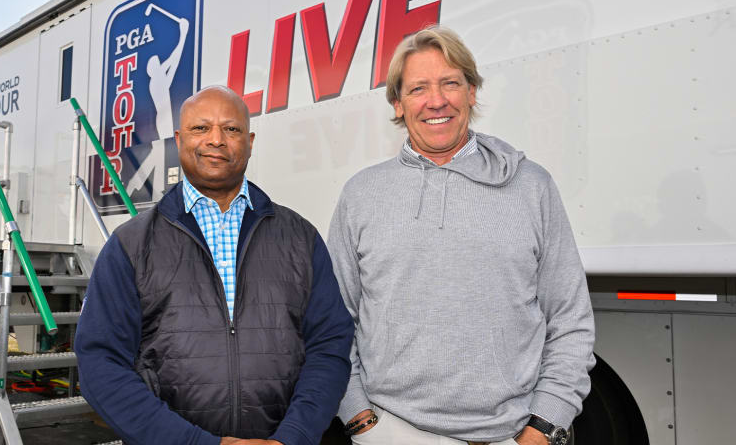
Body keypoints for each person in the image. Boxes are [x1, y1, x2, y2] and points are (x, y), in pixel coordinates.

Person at [328, 26, 595, 445]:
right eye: (418, 88)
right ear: (398, 103)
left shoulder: (531, 186)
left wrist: (544, 427)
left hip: (509, 435)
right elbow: (335, 319)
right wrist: (360, 419)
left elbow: (570, 321)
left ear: (471, 91)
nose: (436, 101)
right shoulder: (361, 195)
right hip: (391, 431)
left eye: (450, 83)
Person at [75, 85, 354, 445]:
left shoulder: (300, 238)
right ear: (178, 139)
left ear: (250, 141)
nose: (216, 140)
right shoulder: (130, 245)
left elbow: (329, 347)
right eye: (200, 128)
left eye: (232, 129)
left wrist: (294, 437)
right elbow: (101, 363)